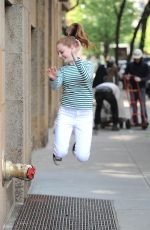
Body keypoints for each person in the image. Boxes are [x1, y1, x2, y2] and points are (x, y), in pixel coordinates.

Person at [47, 24, 94, 165]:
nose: (59, 56)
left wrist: (76, 58)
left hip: (85, 115)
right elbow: (55, 87)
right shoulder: (62, 70)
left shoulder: (88, 65)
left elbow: (86, 78)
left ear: (73, 47)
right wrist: (53, 79)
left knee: (83, 157)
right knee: (60, 152)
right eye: (58, 53)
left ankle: (77, 147)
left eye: (61, 52)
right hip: (66, 113)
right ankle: (57, 153)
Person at [124, 48, 150, 126]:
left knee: (142, 104)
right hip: (132, 88)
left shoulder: (145, 65)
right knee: (133, 104)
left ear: (141, 57)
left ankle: (144, 120)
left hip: (141, 87)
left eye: (138, 58)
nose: (136, 60)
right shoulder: (130, 65)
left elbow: (148, 76)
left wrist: (141, 79)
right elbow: (125, 73)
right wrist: (127, 76)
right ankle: (134, 120)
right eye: (135, 58)